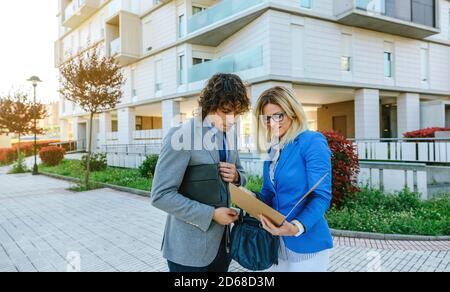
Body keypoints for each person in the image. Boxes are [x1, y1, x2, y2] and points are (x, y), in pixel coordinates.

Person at [150, 73, 251, 272]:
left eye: (238, 113)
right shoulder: (181, 135)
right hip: (188, 252)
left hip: (223, 247)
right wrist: (211, 214)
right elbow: (160, 195)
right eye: (226, 111)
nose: (233, 119)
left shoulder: (230, 137)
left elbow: (241, 173)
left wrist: (238, 177)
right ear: (210, 105)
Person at [254, 86, 333, 272]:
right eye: (267, 118)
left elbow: (321, 196)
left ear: (293, 112)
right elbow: (268, 193)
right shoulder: (272, 149)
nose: (273, 123)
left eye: (278, 116)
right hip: (275, 244)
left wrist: (297, 226)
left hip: (306, 243)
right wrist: (246, 196)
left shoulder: (311, 141)